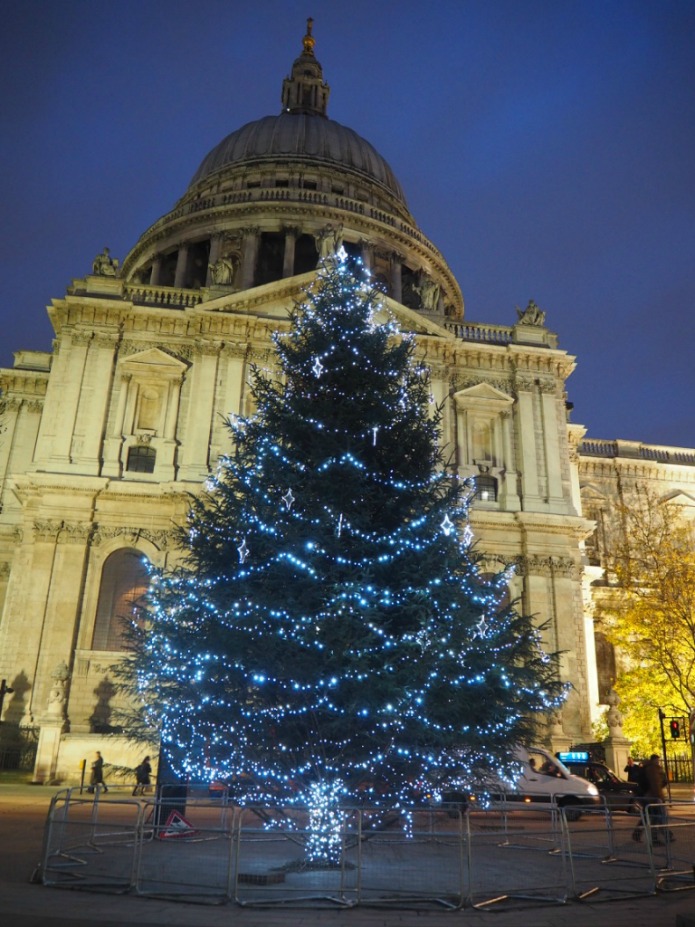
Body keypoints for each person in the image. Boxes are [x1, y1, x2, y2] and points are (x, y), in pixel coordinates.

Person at [632, 754, 671, 844]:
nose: (658, 762)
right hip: (651, 796)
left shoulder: (647, 767)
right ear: (654, 760)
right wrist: (659, 797)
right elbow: (655, 784)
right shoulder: (652, 769)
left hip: (646, 795)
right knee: (655, 817)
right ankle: (655, 839)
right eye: (657, 760)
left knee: (648, 817)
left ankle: (637, 834)